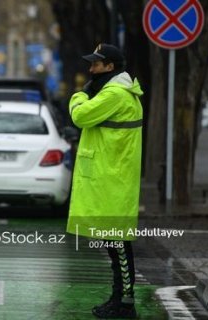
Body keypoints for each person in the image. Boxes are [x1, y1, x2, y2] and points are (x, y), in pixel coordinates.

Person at [66, 44, 143, 319]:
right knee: (114, 246)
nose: (91, 69)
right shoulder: (116, 92)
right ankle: (118, 298)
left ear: (110, 67)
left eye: (96, 64)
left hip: (114, 180)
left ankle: (125, 303)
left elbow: (80, 116)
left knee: (119, 246)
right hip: (111, 178)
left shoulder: (115, 95)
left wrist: (78, 95)